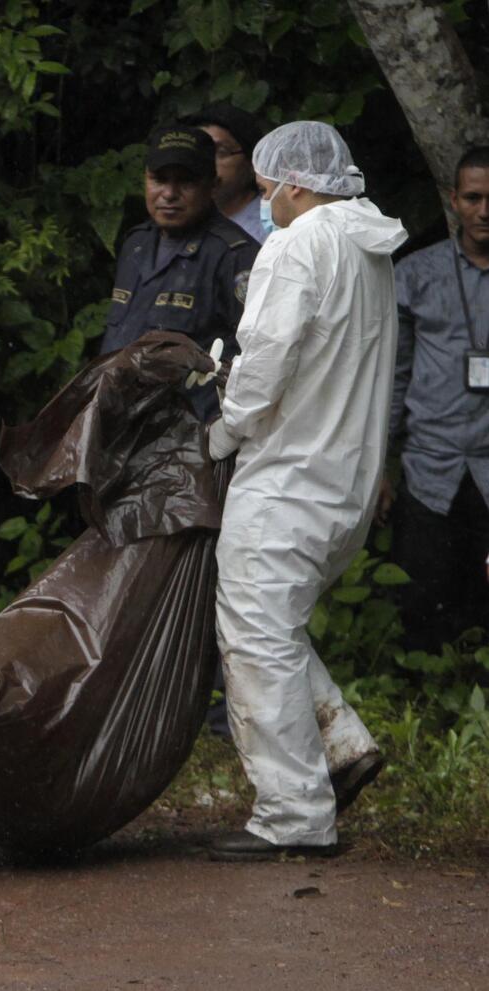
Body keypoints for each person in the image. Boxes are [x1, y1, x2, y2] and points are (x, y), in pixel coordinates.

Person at [206, 121, 402, 859]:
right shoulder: (368, 246)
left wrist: (220, 436)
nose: (264, 206)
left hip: (288, 478)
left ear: (293, 184)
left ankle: (294, 815)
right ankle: (339, 746)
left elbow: (262, 364)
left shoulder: (297, 244)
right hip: (344, 480)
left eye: (263, 192)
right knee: (275, 627)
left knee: (254, 635)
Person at [383, 146, 489, 652]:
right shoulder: (416, 274)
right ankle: (420, 701)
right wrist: (382, 464)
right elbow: (394, 375)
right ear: (455, 201)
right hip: (429, 464)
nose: (484, 210)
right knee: (422, 600)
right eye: (473, 198)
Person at [100, 125, 259, 420]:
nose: (169, 194)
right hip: (120, 425)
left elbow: (253, 358)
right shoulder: (136, 244)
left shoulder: (235, 255)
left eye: (185, 182)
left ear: (212, 185)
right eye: (159, 180)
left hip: (189, 438)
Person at [183, 104, 268, 244]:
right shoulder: (178, 219)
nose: (206, 163)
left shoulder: (273, 225)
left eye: (221, 152)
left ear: (252, 163)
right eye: (198, 153)